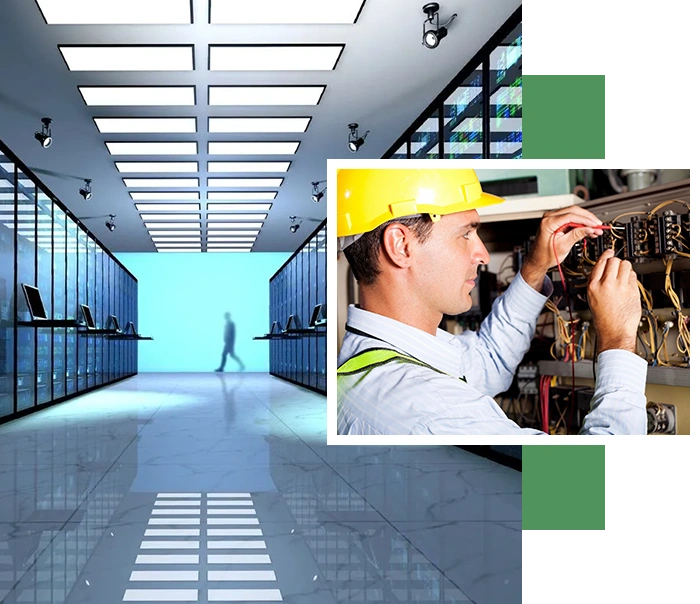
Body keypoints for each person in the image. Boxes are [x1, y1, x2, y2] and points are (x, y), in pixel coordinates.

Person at [336, 168, 646, 435]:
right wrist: (618, 338)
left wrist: (535, 266)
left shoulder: (373, 359)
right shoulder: (432, 411)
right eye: (466, 234)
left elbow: (490, 360)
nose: (482, 255)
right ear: (401, 246)